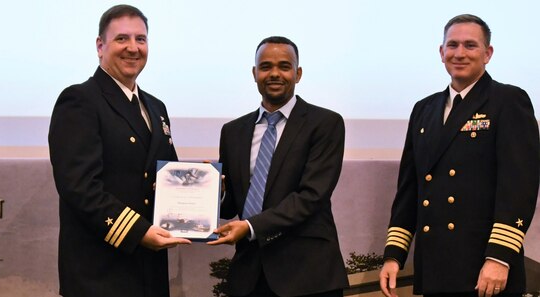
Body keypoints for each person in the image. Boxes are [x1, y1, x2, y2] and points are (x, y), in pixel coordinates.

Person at [379, 14, 539, 297]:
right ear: (441, 53)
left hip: (485, 269)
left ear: (487, 53)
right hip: (435, 267)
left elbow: (519, 188)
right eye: (452, 45)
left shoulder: (508, 101)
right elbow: (409, 190)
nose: (460, 53)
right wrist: (394, 254)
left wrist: (499, 258)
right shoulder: (423, 109)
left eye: (470, 45)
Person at [48, 4, 191, 297]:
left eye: (141, 39)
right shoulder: (79, 100)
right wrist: (138, 232)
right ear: (100, 46)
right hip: (99, 274)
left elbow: (167, 175)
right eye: (122, 39)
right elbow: (79, 187)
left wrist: (206, 189)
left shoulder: (156, 107)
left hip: (149, 271)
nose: (133, 48)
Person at [208, 36, 349, 297]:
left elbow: (312, 197)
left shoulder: (325, 124)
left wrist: (250, 227)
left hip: (308, 276)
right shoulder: (233, 131)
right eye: (265, 67)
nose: (274, 74)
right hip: (249, 275)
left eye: (284, 66)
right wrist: (211, 189)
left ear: (298, 73)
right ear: (254, 73)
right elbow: (230, 207)